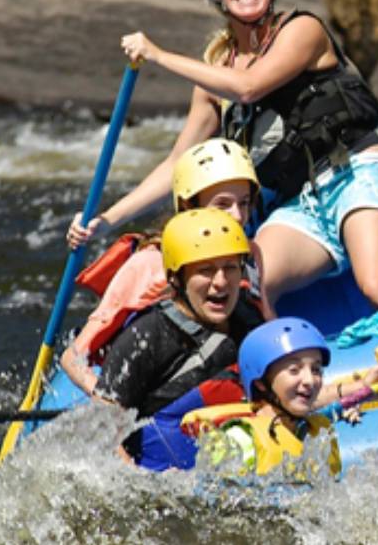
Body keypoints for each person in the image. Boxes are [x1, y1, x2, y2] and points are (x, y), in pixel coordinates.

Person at [65, 0, 378, 319]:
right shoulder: (215, 74)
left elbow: (250, 87)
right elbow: (177, 164)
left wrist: (157, 55)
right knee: (250, 285)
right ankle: (280, 373)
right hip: (300, 202)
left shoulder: (302, 30)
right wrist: (105, 220)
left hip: (355, 175)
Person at [60, 138, 274, 396]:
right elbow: (72, 358)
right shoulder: (149, 263)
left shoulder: (249, 253)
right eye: (223, 204)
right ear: (187, 206)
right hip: (154, 385)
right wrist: (106, 400)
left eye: (244, 202)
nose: (238, 216)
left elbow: (268, 332)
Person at [92, 208, 264, 469]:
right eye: (206, 270)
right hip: (160, 475)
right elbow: (101, 434)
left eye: (230, 267)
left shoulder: (249, 320)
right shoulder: (145, 338)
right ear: (176, 278)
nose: (220, 282)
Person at [181, 318, 378, 477]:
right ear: (260, 382)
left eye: (316, 370)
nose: (310, 380)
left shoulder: (316, 431)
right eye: (294, 370)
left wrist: (367, 388)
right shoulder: (240, 440)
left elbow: (334, 408)